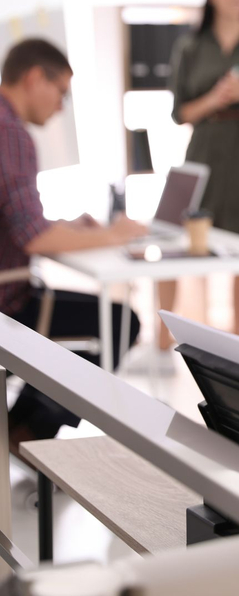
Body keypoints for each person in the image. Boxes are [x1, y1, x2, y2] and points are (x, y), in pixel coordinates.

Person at [0, 39, 147, 454]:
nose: (61, 106)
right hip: (7, 302)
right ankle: (28, 432)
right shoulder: (11, 134)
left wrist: (71, 228)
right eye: (60, 92)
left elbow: (16, 222)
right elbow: (34, 238)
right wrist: (113, 235)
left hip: (10, 284)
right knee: (120, 323)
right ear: (33, 78)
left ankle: (19, 426)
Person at [161, 0, 239, 344]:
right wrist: (214, 99)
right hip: (203, 149)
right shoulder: (189, 47)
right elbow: (179, 113)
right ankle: (164, 332)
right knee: (178, 235)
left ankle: (236, 333)